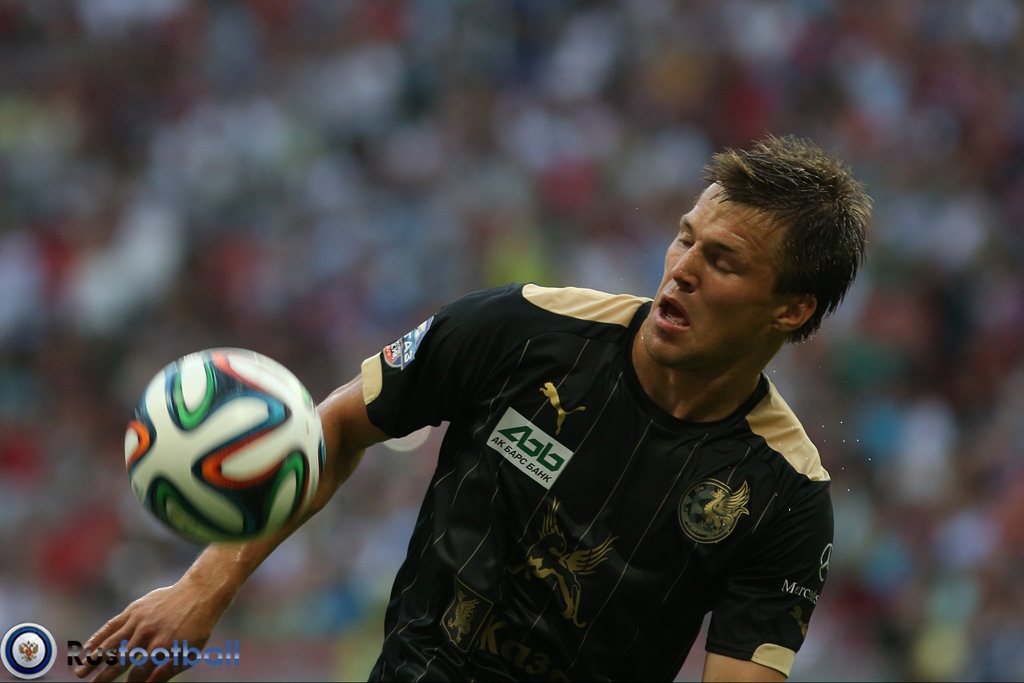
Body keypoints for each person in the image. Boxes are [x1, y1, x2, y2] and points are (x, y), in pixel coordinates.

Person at [74, 134, 871, 683]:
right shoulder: (522, 329)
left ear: (791, 309)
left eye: (722, 260)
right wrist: (205, 586)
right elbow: (337, 427)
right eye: (685, 237)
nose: (682, 268)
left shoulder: (785, 494)